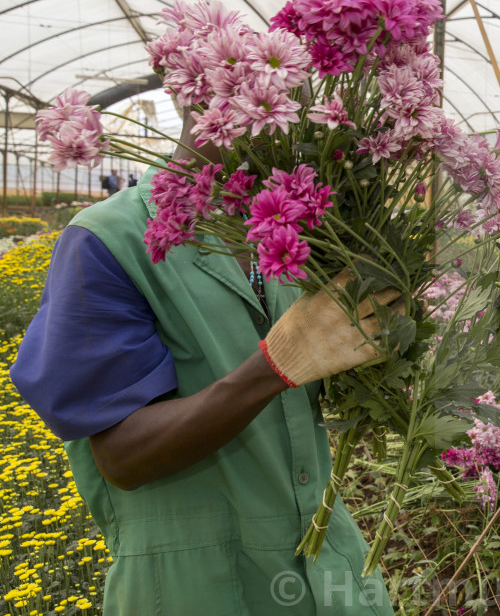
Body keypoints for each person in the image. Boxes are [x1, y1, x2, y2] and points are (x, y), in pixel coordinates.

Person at [11, 116, 399, 615]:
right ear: (189, 85)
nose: (280, 105)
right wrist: (276, 364)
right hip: (196, 587)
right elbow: (123, 457)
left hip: (332, 574)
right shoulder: (108, 239)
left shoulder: (296, 222)